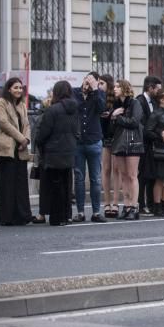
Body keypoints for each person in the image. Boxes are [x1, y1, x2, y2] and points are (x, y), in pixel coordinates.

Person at [36, 80, 79, 226]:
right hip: (69, 150)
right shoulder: (75, 109)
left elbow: (43, 133)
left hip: (53, 152)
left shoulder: (52, 110)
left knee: (55, 185)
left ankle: (57, 217)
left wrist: (40, 143)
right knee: (67, 184)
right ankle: (67, 215)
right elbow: (77, 131)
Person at [0, 77, 32, 226]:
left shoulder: (22, 104)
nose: (18, 90)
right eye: (15, 87)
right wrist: (21, 138)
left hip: (21, 149)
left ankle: (22, 215)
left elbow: (27, 124)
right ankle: (7, 217)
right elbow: (3, 123)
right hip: (7, 149)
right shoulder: (1, 103)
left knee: (21, 183)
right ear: (8, 89)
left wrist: (26, 140)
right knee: (7, 183)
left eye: (20, 88)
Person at [71, 72, 107, 223]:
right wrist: (85, 91)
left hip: (94, 140)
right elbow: (73, 108)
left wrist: (95, 90)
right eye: (87, 80)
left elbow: (101, 108)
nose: (89, 84)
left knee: (96, 179)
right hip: (78, 142)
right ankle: (80, 212)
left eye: (93, 82)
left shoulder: (99, 94)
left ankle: (96, 212)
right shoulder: (74, 92)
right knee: (79, 178)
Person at [109, 80, 146, 220]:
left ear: (124, 88)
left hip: (133, 142)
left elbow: (134, 122)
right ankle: (126, 205)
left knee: (132, 175)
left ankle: (134, 206)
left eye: (118, 87)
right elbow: (112, 129)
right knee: (123, 175)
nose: (115, 89)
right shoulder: (116, 105)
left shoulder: (135, 103)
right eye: (114, 87)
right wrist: (113, 117)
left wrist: (117, 117)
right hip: (119, 143)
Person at [136, 75, 162, 214]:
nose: (159, 92)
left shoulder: (155, 102)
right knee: (143, 176)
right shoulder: (140, 101)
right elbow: (143, 124)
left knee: (152, 174)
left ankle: (151, 203)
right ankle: (140, 203)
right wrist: (154, 134)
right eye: (157, 89)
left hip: (153, 143)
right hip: (144, 143)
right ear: (150, 88)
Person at [99, 75, 121, 218]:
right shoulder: (98, 98)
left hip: (116, 136)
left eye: (101, 83)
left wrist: (111, 114)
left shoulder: (117, 100)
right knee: (106, 169)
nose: (99, 85)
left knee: (116, 169)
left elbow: (121, 114)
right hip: (104, 136)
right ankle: (106, 202)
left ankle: (115, 203)